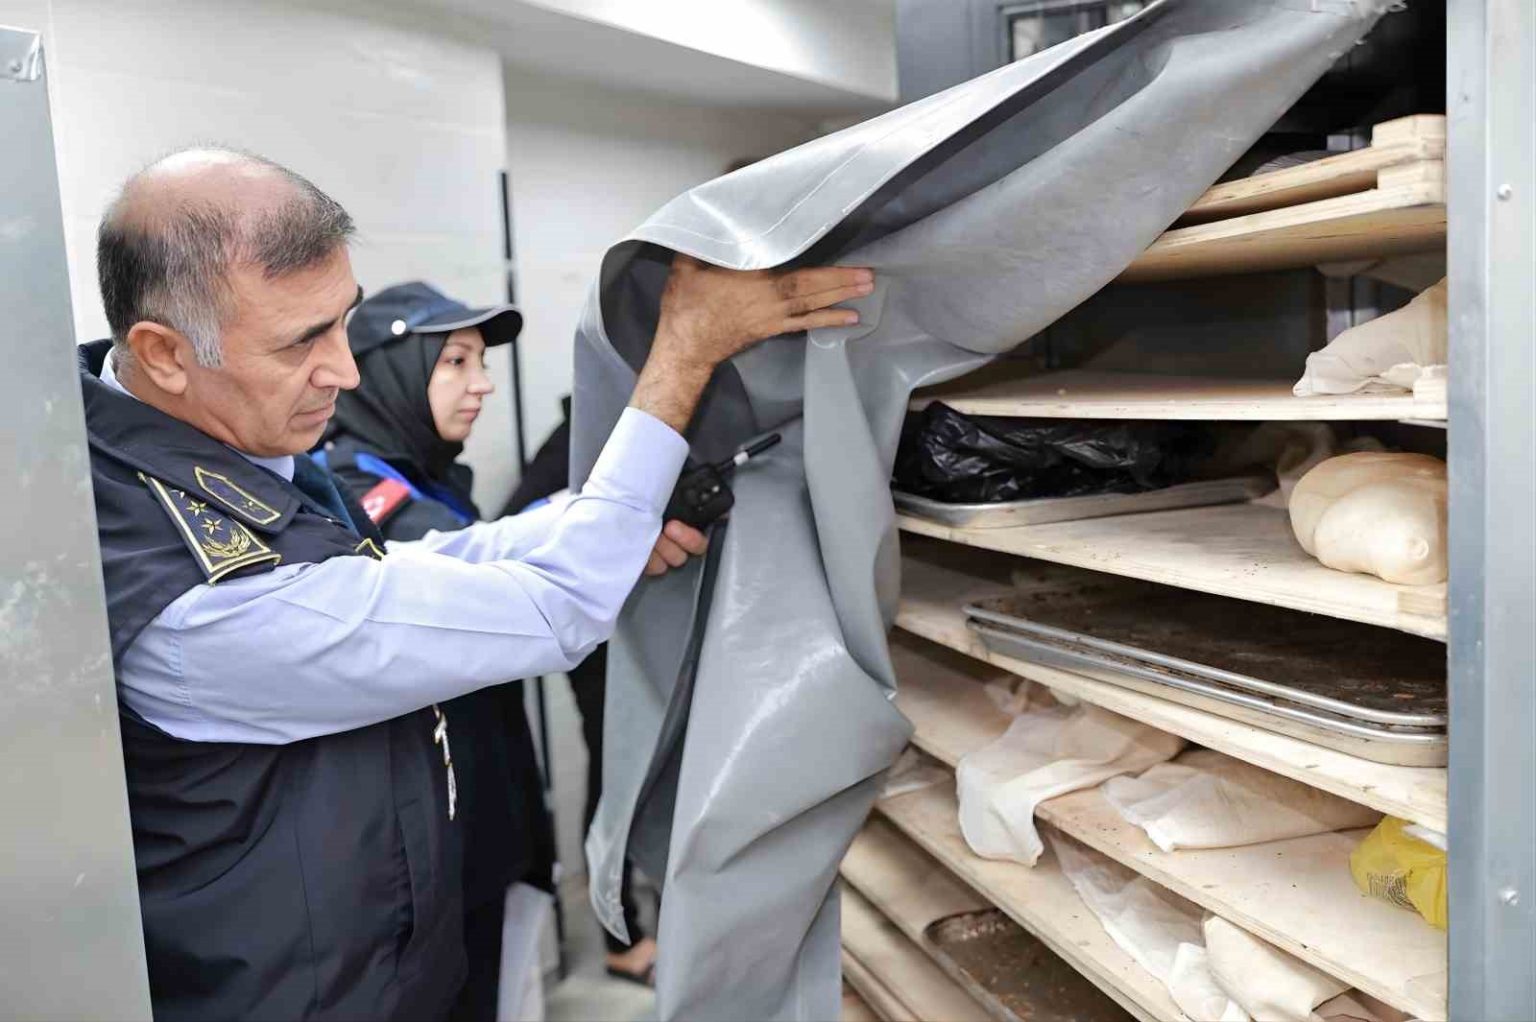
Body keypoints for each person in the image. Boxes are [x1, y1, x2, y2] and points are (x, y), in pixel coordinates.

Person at [80, 146, 873, 1021]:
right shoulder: (192, 590)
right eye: (301, 341)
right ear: (164, 354)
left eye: (343, 323)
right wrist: (681, 356)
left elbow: (409, 569)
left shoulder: (199, 468)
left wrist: (603, 518)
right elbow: (559, 606)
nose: (345, 371)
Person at [501, 401, 660, 987]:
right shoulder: (588, 428)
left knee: (640, 778)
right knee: (614, 779)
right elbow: (518, 525)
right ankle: (621, 939)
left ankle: (638, 924)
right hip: (603, 644)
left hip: (639, 634)